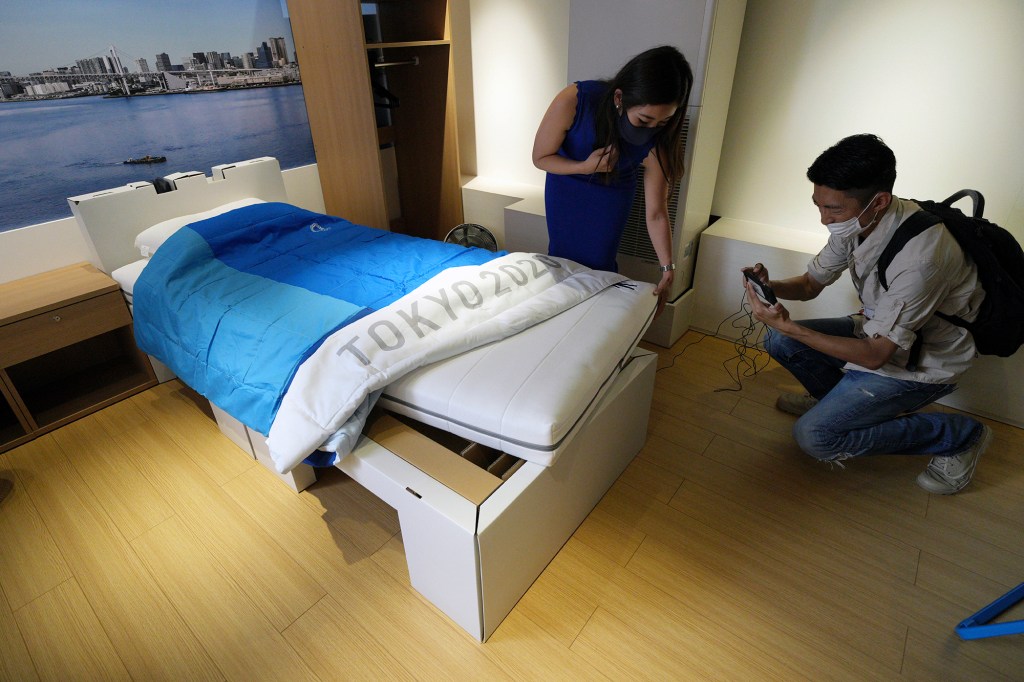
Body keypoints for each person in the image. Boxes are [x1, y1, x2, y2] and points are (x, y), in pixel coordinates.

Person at [743, 133, 991, 495]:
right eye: (818, 205)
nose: (824, 219)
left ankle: (960, 436)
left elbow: (877, 356)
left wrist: (792, 326)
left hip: (924, 362)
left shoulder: (923, 258)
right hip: (877, 330)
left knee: (815, 436)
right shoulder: (858, 220)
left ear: (879, 201)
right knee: (779, 339)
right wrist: (771, 285)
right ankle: (836, 403)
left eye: (833, 210)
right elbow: (811, 284)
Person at [533, 45, 693, 312]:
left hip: (613, 192)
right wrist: (584, 167)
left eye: (662, 122)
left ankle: (592, 324)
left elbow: (656, 213)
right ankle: (560, 317)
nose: (651, 130)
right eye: (643, 120)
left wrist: (667, 268)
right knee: (561, 259)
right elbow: (541, 158)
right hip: (567, 185)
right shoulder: (575, 100)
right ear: (620, 98)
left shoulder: (658, 141)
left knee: (600, 261)